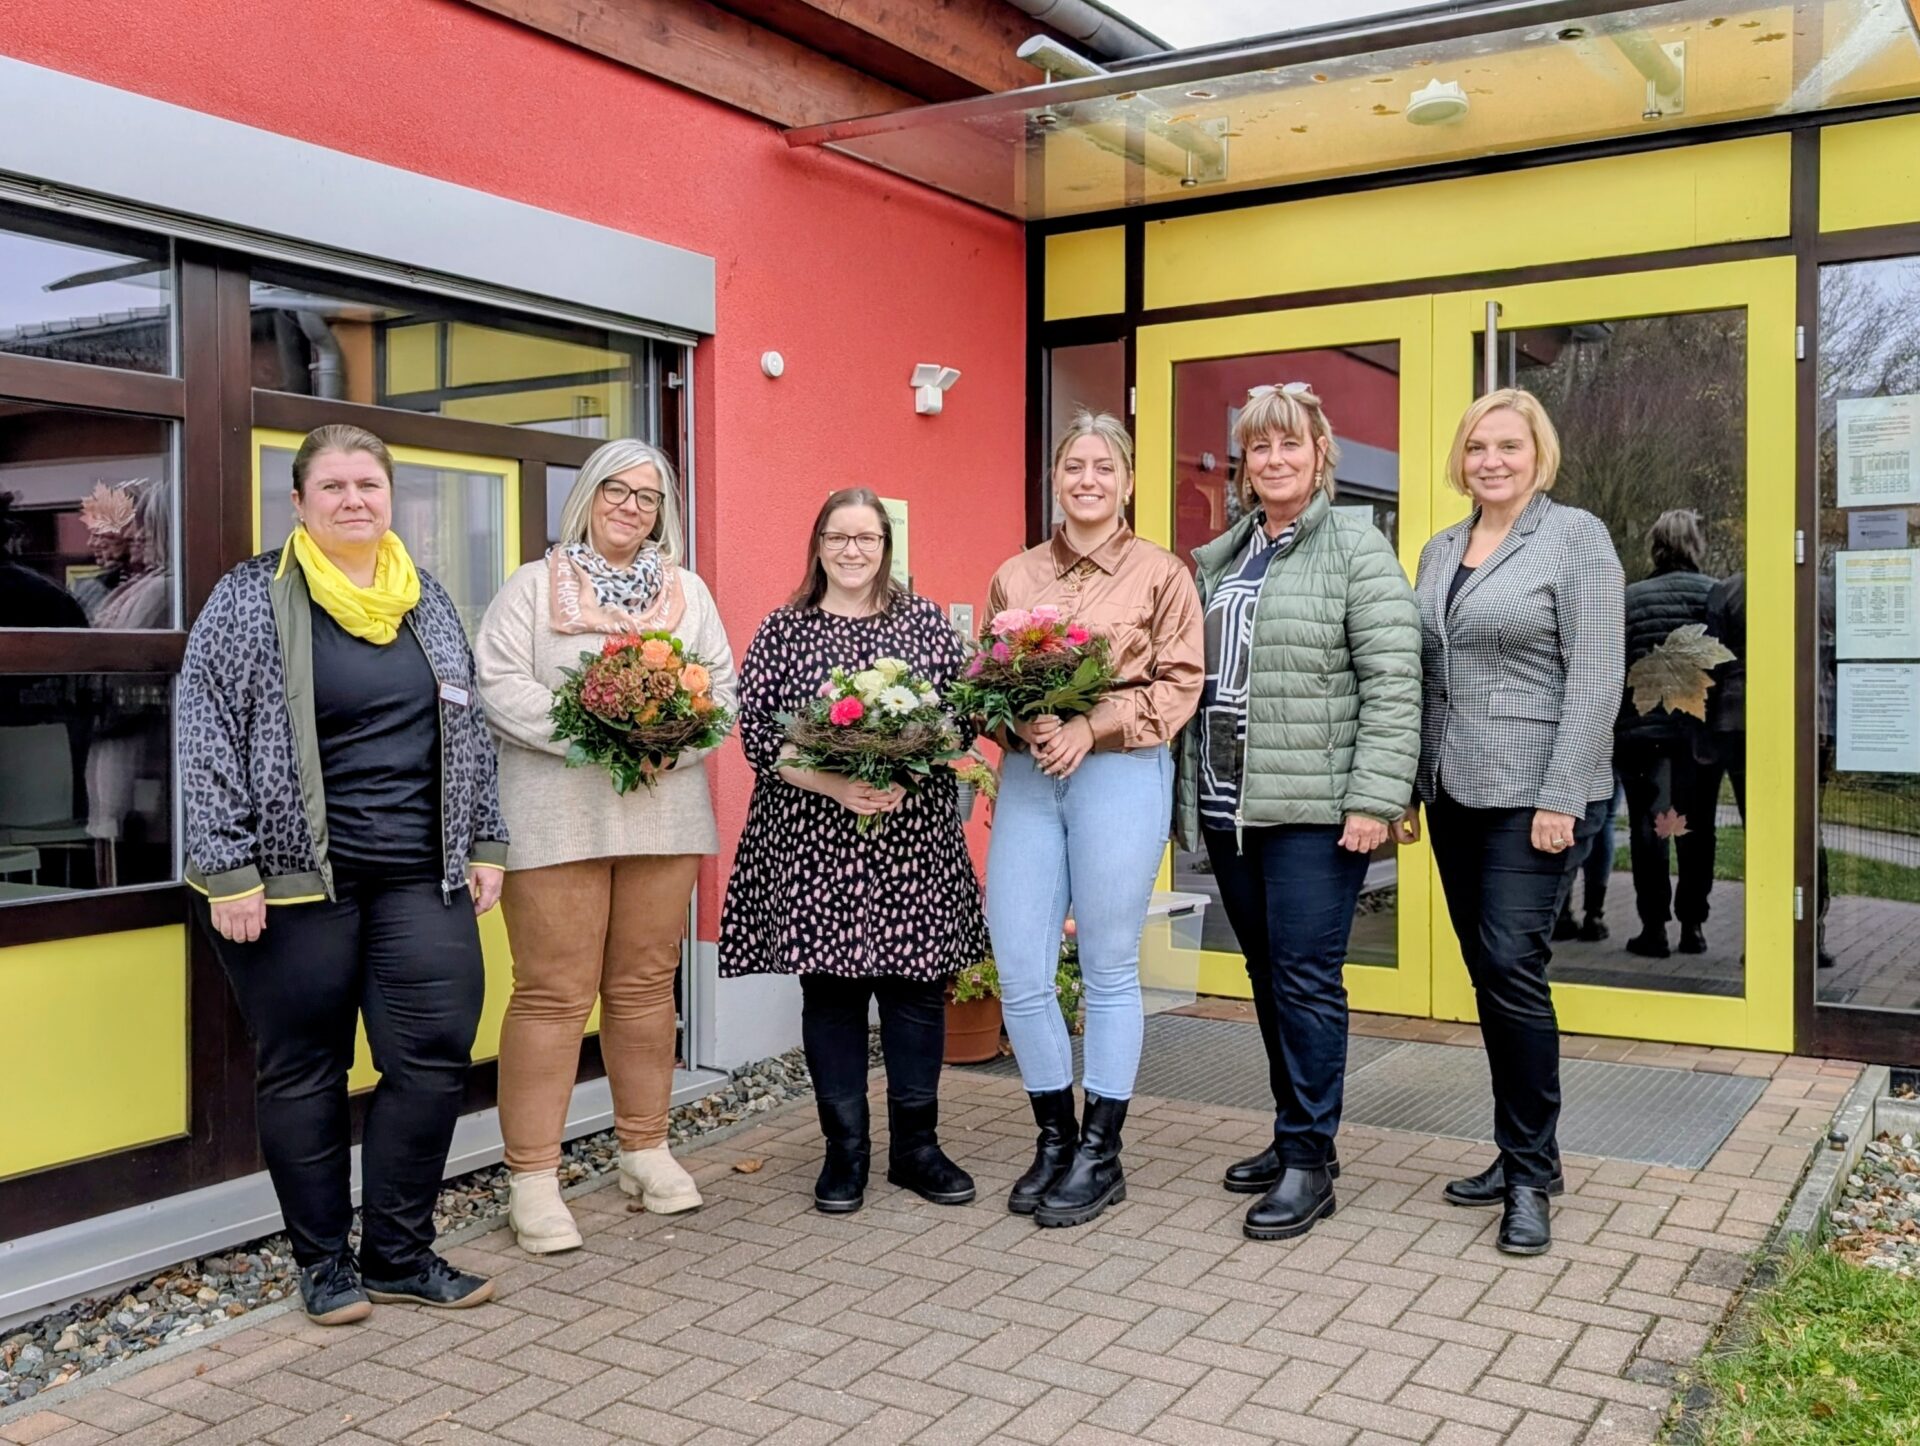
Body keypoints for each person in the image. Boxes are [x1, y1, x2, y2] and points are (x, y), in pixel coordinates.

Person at [181, 424, 506, 1325]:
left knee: (434, 1055)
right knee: (305, 1070)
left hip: (418, 876)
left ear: (391, 496)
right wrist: (228, 868)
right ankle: (324, 1264)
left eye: (368, 483)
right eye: (333, 486)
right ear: (298, 502)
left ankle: (399, 1252)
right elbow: (203, 732)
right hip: (291, 884)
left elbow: (468, 726)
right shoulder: (251, 597)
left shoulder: (425, 598)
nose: (353, 499)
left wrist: (486, 840)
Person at [475, 439, 735, 1256]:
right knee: (553, 991)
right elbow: (498, 683)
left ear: (665, 512)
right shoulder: (530, 586)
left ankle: (645, 1151)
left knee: (647, 986)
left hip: (662, 810)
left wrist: (667, 739)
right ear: (587, 496)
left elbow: (720, 692)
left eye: (649, 497)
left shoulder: (688, 594)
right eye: (617, 491)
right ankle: (534, 1179)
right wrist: (599, 730)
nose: (631, 507)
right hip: (557, 814)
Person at [1174, 383, 1421, 1242]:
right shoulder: (1230, 553)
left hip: (1317, 808)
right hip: (1230, 803)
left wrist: (1374, 800)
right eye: (1259, 448)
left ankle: (1312, 1163)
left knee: (1307, 982)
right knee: (1267, 978)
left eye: (1290, 445)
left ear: (1321, 457)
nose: (1274, 460)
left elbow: (1395, 683)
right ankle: (1293, 1136)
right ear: (1243, 465)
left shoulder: (1356, 547)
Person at [719, 488, 987, 1213]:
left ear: (886, 547)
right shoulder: (784, 629)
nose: (852, 551)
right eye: (838, 537)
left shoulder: (925, 623)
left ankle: (917, 1150)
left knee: (915, 990)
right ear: (818, 544)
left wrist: (905, 773)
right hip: (816, 837)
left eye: (866, 538)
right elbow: (760, 742)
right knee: (831, 993)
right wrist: (837, 785)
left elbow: (959, 723)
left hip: (910, 835)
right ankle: (845, 1155)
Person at [1401, 389, 1624, 1256]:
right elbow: (1429, 679)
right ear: (1460, 458)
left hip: (1536, 795)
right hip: (1457, 793)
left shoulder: (1575, 539)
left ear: (1539, 454)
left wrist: (1563, 797)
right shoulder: (1440, 547)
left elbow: (1597, 677)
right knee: (1492, 977)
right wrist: (1411, 789)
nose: (1492, 460)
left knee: (1511, 967)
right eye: (1478, 447)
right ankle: (1522, 1149)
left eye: (1509, 446)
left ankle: (1529, 1179)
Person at [985, 410, 1204, 1229]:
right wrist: (1022, 722)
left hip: (1119, 771)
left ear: (1127, 482)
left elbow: (1180, 686)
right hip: (1031, 777)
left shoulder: (1161, 575)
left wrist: (1090, 724)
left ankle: (1102, 1154)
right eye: (1074, 466)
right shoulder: (1015, 575)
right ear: (1057, 478)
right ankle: (1053, 1138)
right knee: (1018, 965)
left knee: (1109, 965)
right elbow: (988, 679)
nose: (1087, 480)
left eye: (1102, 468)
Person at [1616, 510, 1720, 959]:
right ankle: (1693, 924)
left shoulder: (1630, 599)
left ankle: (1654, 927)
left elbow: (1613, 667)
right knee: (1696, 829)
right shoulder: (1716, 596)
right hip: (1698, 736)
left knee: (1651, 828)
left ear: (1654, 546)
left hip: (1643, 735)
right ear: (1696, 546)